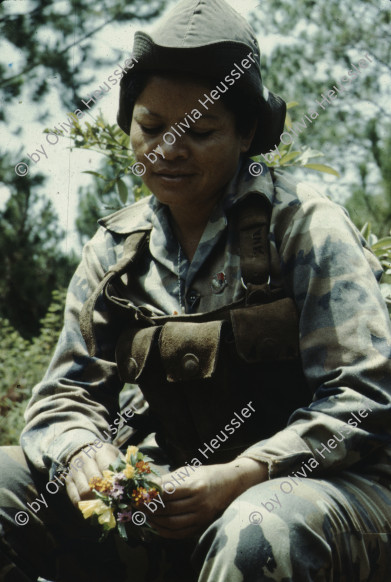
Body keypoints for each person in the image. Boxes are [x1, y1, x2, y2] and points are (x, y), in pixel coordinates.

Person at [1, 0, 391, 580]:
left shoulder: (305, 227)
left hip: (320, 497)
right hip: (166, 502)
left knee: (258, 526)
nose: (166, 150)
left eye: (200, 132)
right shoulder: (114, 252)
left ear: (247, 133)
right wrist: (84, 452)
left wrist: (246, 472)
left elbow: (365, 397)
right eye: (151, 127)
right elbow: (63, 399)